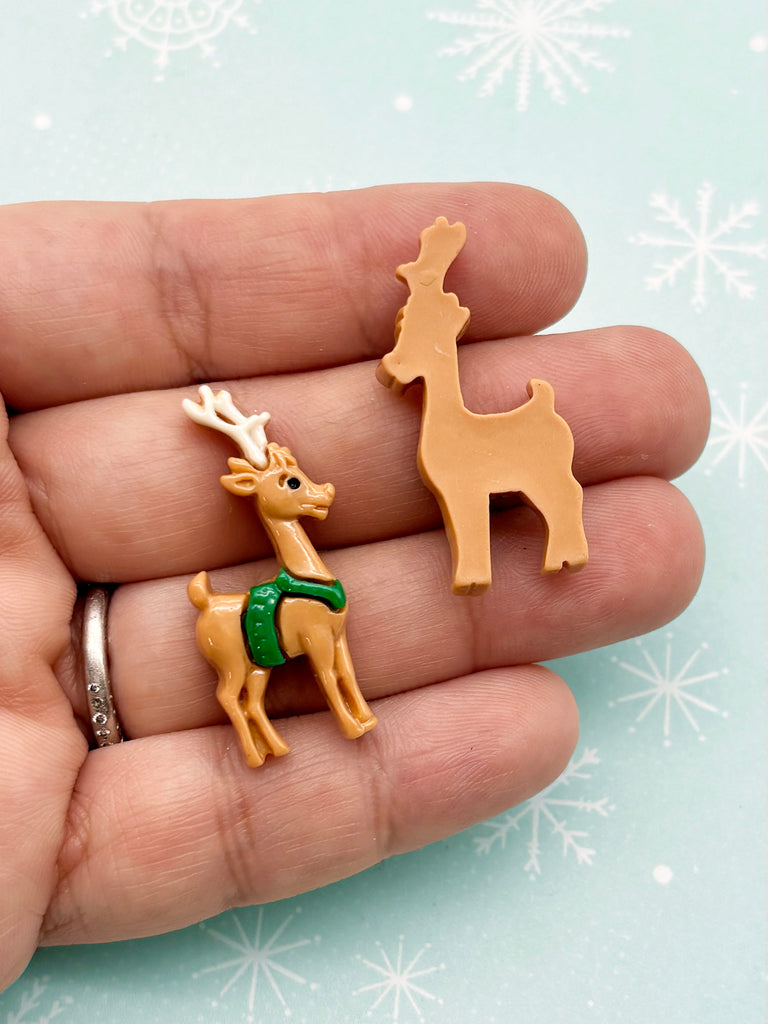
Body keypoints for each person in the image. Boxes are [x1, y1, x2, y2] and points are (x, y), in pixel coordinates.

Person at [0, 182, 709, 991]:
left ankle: (530, 553)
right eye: (292, 486)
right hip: (246, 612)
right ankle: (285, 712)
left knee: (519, 505)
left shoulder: (437, 353)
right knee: (251, 685)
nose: (313, 491)